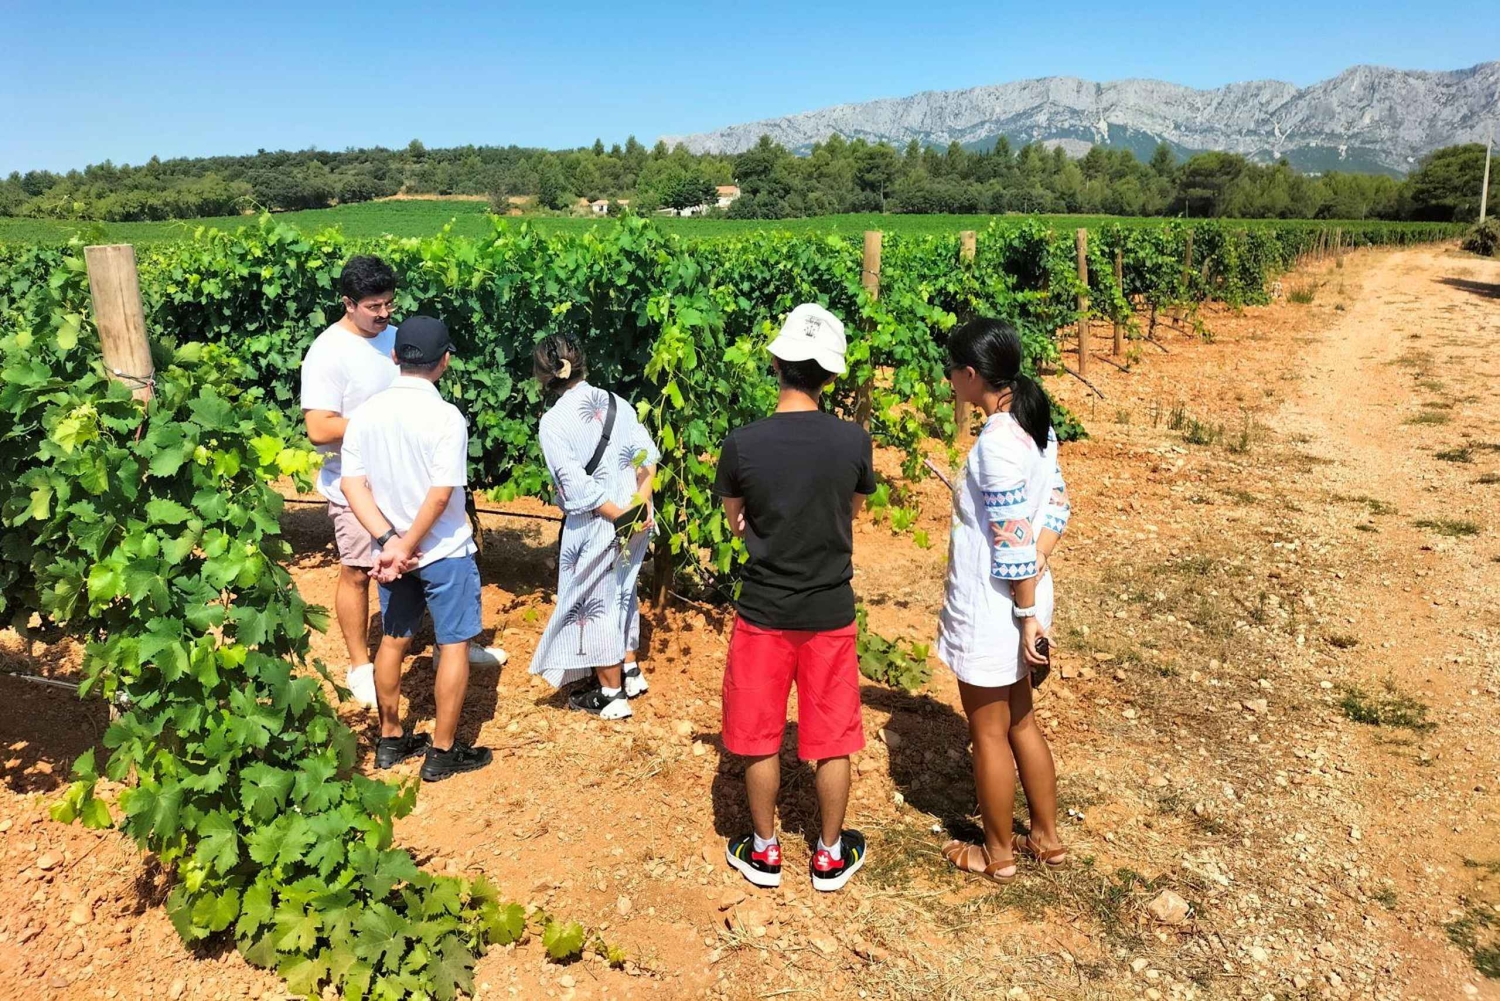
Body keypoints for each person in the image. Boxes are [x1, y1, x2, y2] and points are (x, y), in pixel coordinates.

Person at [712, 303, 875, 893]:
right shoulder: (853, 441)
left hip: (764, 611)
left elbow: (736, 523)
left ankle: (764, 851)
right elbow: (852, 511)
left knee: (760, 734)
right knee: (833, 738)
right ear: (829, 375)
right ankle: (829, 855)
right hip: (829, 610)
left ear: (777, 364)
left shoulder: (742, 444)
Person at [301, 255, 502, 711]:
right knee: (358, 572)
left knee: (431, 562)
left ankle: (451, 646)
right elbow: (318, 427)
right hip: (357, 488)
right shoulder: (328, 352)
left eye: (389, 303)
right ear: (348, 303)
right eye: (374, 306)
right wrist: (379, 424)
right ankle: (360, 666)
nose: (384, 314)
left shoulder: (397, 340)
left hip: (407, 479)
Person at [936, 318, 1071, 883]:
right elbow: (1056, 505)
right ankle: (1046, 838)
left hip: (997, 609)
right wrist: (1038, 570)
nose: (948, 378)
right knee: (1021, 721)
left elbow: (1011, 539)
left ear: (972, 375)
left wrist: (1024, 616)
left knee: (987, 731)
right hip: (1026, 597)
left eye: (952, 370)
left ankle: (996, 854)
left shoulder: (994, 443)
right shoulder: (1035, 423)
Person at [340, 315, 497, 782]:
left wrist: (389, 542)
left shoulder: (366, 414)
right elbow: (441, 494)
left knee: (393, 639)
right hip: (443, 551)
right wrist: (408, 543)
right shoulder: (446, 417)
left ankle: (390, 739)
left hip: (393, 556)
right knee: (453, 645)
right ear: (444, 361)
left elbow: (352, 485)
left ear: (395, 356)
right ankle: (442, 752)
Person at [528, 334, 659, 720]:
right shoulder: (618, 403)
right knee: (623, 589)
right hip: (637, 515)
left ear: (543, 375)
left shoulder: (553, 423)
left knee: (594, 600)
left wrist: (617, 514)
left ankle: (610, 693)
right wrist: (639, 503)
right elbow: (646, 456)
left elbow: (576, 485)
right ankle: (629, 669)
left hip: (599, 521)